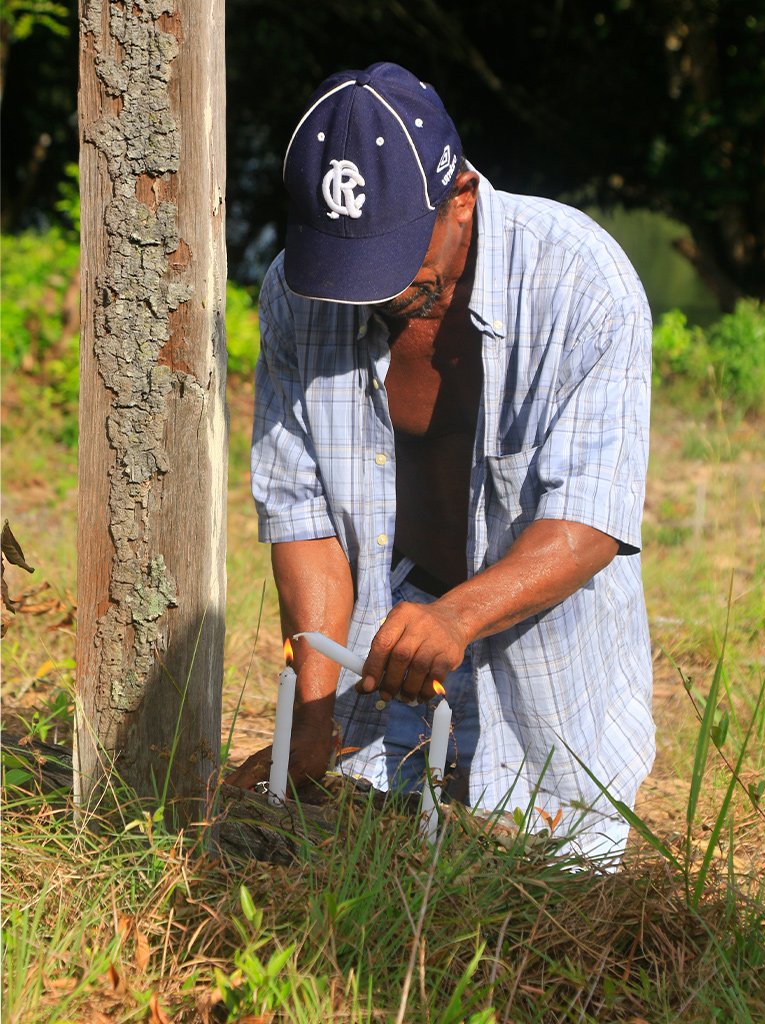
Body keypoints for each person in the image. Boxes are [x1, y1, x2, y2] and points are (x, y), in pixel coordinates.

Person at [228, 62, 654, 861]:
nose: (376, 298)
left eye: (394, 262)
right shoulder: (296, 291)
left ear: (460, 197)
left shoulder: (579, 279)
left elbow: (590, 520)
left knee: (546, 916)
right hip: (372, 666)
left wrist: (455, 617)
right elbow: (301, 514)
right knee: (337, 878)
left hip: (542, 677)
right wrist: (313, 718)